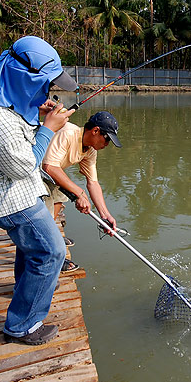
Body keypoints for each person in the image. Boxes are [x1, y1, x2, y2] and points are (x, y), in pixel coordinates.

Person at [0, 36, 80, 346]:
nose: (50, 92)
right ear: (28, 78)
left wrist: (37, 104)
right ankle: (23, 325)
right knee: (51, 251)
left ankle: (24, 289)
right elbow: (25, 166)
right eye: (45, 85)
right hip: (1, 189)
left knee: (32, 245)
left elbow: (15, 105)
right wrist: (48, 127)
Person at [41, 111, 121, 270]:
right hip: (34, 172)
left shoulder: (90, 150)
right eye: (107, 139)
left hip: (52, 173)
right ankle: (50, 256)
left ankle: (51, 238)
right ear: (95, 131)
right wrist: (80, 193)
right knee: (45, 218)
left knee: (59, 197)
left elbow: (93, 182)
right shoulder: (68, 133)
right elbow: (48, 166)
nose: (107, 145)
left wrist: (105, 215)